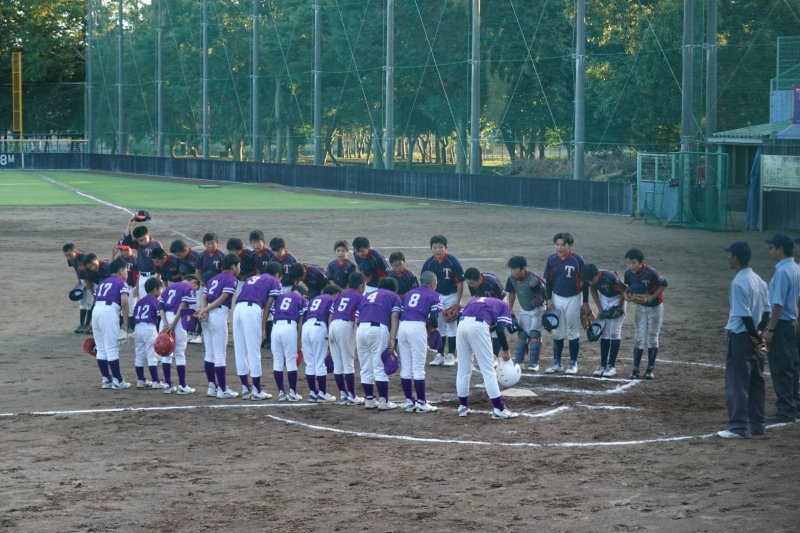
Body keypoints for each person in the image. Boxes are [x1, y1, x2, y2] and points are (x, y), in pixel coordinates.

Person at [717, 242, 770, 439]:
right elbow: (767, 311)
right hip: (756, 338)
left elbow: (744, 315)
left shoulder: (738, 283)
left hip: (742, 337)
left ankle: (738, 427)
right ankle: (757, 424)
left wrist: (754, 335)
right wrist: (759, 335)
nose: (727, 258)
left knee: (737, 382)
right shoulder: (759, 280)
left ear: (736, 258)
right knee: (757, 382)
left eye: (729, 255)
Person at [455, 297, 519, 419]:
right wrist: (506, 350)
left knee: (463, 370)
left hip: (461, 326)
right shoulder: (504, 305)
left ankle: (462, 406)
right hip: (478, 327)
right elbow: (500, 330)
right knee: (489, 371)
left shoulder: (475, 300)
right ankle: (499, 409)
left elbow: (459, 317)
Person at [762, 233, 800, 423]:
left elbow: (778, 304)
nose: (770, 250)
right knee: (792, 365)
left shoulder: (783, 271)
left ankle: (786, 409)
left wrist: (770, 329)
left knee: (780, 367)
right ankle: (795, 404)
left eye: (772, 247)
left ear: (780, 249)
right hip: (792, 324)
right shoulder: (795, 268)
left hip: (782, 325)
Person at [232, 262, 282, 401]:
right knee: (254, 352)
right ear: (278, 275)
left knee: (240, 351)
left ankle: (245, 388)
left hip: (237, 310)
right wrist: (263, 326)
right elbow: (267, 306)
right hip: (251, 311)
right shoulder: (275, 281)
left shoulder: (252, 278)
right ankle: (257, 390)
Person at [197, 253, 241, 399]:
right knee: (220, 354)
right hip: (217, 314)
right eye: (238, 266)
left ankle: (212, 386)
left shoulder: (214, 278)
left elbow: (204, 296)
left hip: (207, 315)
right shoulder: (232, 279)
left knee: (209, 353)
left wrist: (204, 310)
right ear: (233, 267)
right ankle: (222, 389)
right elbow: (223, 298)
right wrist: (206, 310)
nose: (239, 268)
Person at [397, 271, 442, 413]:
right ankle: (422, 403)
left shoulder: (408, 294)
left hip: (403, 326)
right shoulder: (434, 295)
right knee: (418, 367)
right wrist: (433, 328)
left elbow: (400, 312)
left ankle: (409, 402)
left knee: (406, 367)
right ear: (433, 284)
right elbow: (434, 318)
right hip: (417, 327)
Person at [355, 277, 402, 410]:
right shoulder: (393, 296)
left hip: (360, 330)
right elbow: (394, 316)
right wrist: (392, 338)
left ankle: (369, 400)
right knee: (380, 367)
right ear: (394, 289)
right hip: (378, 329)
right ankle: (383, 401)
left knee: (365, 368)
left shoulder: (366, 295)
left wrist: (354, 342)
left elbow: (357, 318)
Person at [543, 232, 586, 375]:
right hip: (557, 297)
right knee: (557, 330)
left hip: (574, 297)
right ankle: (557, 362)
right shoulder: (552, 259)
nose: (559, 248)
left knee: (572, 331)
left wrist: (585, 302)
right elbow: (549, 281)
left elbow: (585, 282)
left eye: (562, 245)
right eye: (557, 244)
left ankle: (573, 363)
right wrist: (549, 299)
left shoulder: (577, 260)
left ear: (570, 245)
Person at [623, 248, 668, 380]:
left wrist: (652, 297)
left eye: (633, 263)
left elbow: (664, 284)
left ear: (641, 262)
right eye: (628, 263)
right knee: (639, 336)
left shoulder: (651, 272)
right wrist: (626, 294)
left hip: (655, 307)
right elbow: (629, 286)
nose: (630, 266)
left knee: (653, 335)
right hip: (640, 307)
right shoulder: (628, 273)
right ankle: (635, 369)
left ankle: (650, 369)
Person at [421, 235, 465, 367]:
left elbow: (461, 282)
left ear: (446, 248)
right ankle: (440, 354)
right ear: (431, 248)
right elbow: (424, 283)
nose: (437, 250)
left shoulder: (453, 261)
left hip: (452, 295)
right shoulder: (429, 263)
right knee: (439, 325)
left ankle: (451, 354)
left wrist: (457, 302)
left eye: (440, 247)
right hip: (437, 295)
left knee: (451, 324)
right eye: (434, 247)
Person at [581, 264, 627, 377]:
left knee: (614, 332)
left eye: (592, 280)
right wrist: (600, 309)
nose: (590, 282)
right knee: (605, 332)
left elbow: (623, 289)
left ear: (597, 274)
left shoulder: (609, 276)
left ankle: (611, 366)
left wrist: (619, 307)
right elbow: (593, 290)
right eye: (588, 281)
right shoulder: (589, 278)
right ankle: (603, 364)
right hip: (604, 299)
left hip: (617, 299)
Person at [91, 258, 131, 390]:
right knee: (112, 348)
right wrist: (125, 324)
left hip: (96, 311)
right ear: (121, 271)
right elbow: (124, 303)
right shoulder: (122, 282)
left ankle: (106, 379)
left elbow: (95, 299)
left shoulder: (102, 282)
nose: (127, 273)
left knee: (101, 348)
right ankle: (118, 380)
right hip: (108, 312)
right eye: (126, 270)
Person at [328, 272, 367, 405]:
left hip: (333, 325)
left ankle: (343, 395)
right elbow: (356, 319)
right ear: (361, 286)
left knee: (338, 364)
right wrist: (355, 341)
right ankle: (352, 395)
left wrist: (330, 332)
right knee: (348, 363)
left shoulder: (341, 295)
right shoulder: (360, 297)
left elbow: (331, 315)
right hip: (345, 326)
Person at [159, 274, 202, 394]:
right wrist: (174, 323)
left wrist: (165, 322)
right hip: (177, 319)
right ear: (194, 282)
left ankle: (168, 385)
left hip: (164, 319)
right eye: (196, 288)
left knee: (166, 352)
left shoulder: (169, 287)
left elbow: (161, 306)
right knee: (179, 353)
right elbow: (183, 305)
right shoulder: (188, 288)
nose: (195, 290)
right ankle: (182, 386)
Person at [505, 256, 547, 372]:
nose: (512, 272)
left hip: (538, 310)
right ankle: (519, 362)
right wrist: (510, 308)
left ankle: (534, 363)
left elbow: (545, 293)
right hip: (524, 309)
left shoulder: (533, 278)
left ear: (523, 268)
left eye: (515, 269)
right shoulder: (512, 279)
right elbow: (512, 293)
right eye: (511, 269)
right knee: (522, 334)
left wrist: (538, 301)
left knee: (534, 334)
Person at [302, 284, 342, 403]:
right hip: (319, 327)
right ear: (336, 293)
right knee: (320, 362)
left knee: (310, 363)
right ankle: (323, 393)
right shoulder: (333, 299)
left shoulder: (314, 299)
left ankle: (313, 392)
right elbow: (332, 316)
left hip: (306, 327)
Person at [270, 284, 308, 401]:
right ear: (302, 293)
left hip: (276, 327)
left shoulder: (280, 297)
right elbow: (300, 321)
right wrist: (299, 339)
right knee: (291, 361)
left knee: (277, 360)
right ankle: (293, 393)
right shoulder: (301, 299)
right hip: (289, 327)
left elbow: (273, 314)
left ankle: (281, 393)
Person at [133, 277, 165, 390]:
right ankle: (156, 381)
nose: (161, 291)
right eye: (160, 289)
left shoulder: (140, 302)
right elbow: (159, 316)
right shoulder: (155, 301)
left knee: (139, 355)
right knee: (152, 355)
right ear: (155, 289)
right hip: (149, 328)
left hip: (138, 328)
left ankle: (141, 380)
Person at [121, 220, 162, 304]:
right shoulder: (138, 245)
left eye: (144, 239)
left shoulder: (156, 244)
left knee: (155, 301)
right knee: (144, 301)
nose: (143, 242)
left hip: (153, 275)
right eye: (140, 240)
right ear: (137, 240)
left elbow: (160, 263)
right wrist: (129, 226)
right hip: (142, 277)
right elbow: (126, 242)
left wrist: (157, 279)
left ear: (148, 235)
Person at [169, 239, 202, 344]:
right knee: (189, 309)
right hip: (187, 287)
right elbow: (182, 273)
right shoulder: (181, 258)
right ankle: (190, 331)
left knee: (197, 308)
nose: (178, 257)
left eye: (178, 255)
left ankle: (197, 334)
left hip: (197, 287)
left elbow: (200, 272)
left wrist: (196, 285)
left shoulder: (196, 256)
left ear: (185, 250)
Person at [63, 243, 94, 333]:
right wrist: (79, 280)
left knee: (89, 302)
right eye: (66, 256)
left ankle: (87, 325)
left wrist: (88, 284)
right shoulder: (71, 258)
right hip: (83, 279)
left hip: (91, 280)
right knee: (82, 301)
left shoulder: (83, 258)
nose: (68, 257)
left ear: (75, 251)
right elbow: (76, 269)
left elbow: (91, 270)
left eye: (69, 255)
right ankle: (81, 324)